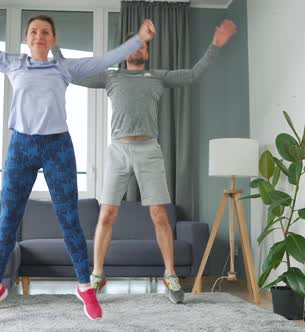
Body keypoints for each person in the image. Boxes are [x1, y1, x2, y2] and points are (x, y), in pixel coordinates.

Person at [0, 7, 156, 321]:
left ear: (53, 39)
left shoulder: (64, 69)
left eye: (45, 32)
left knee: (69, 221)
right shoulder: (12, 63)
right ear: (27, 39)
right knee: (8, 222)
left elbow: (105, 59)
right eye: (33, 32)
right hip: (22, 148)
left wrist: (138, 38)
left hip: (58, 148)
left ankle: (84, 287)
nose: (39, 36)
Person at [52, 19, 237, 304]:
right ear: (126, 52)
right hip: (118, 151)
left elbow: (193, 75)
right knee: (107, 215)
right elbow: (73, 75)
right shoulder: (111, 77)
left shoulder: (158, 76)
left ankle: (170, 274)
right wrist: (55, 48)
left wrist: (215, 45)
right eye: (133, 45)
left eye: (143, 46)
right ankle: (97, 275)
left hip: (149, 150)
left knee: (160, 216)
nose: (138, 49)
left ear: (147, 53)